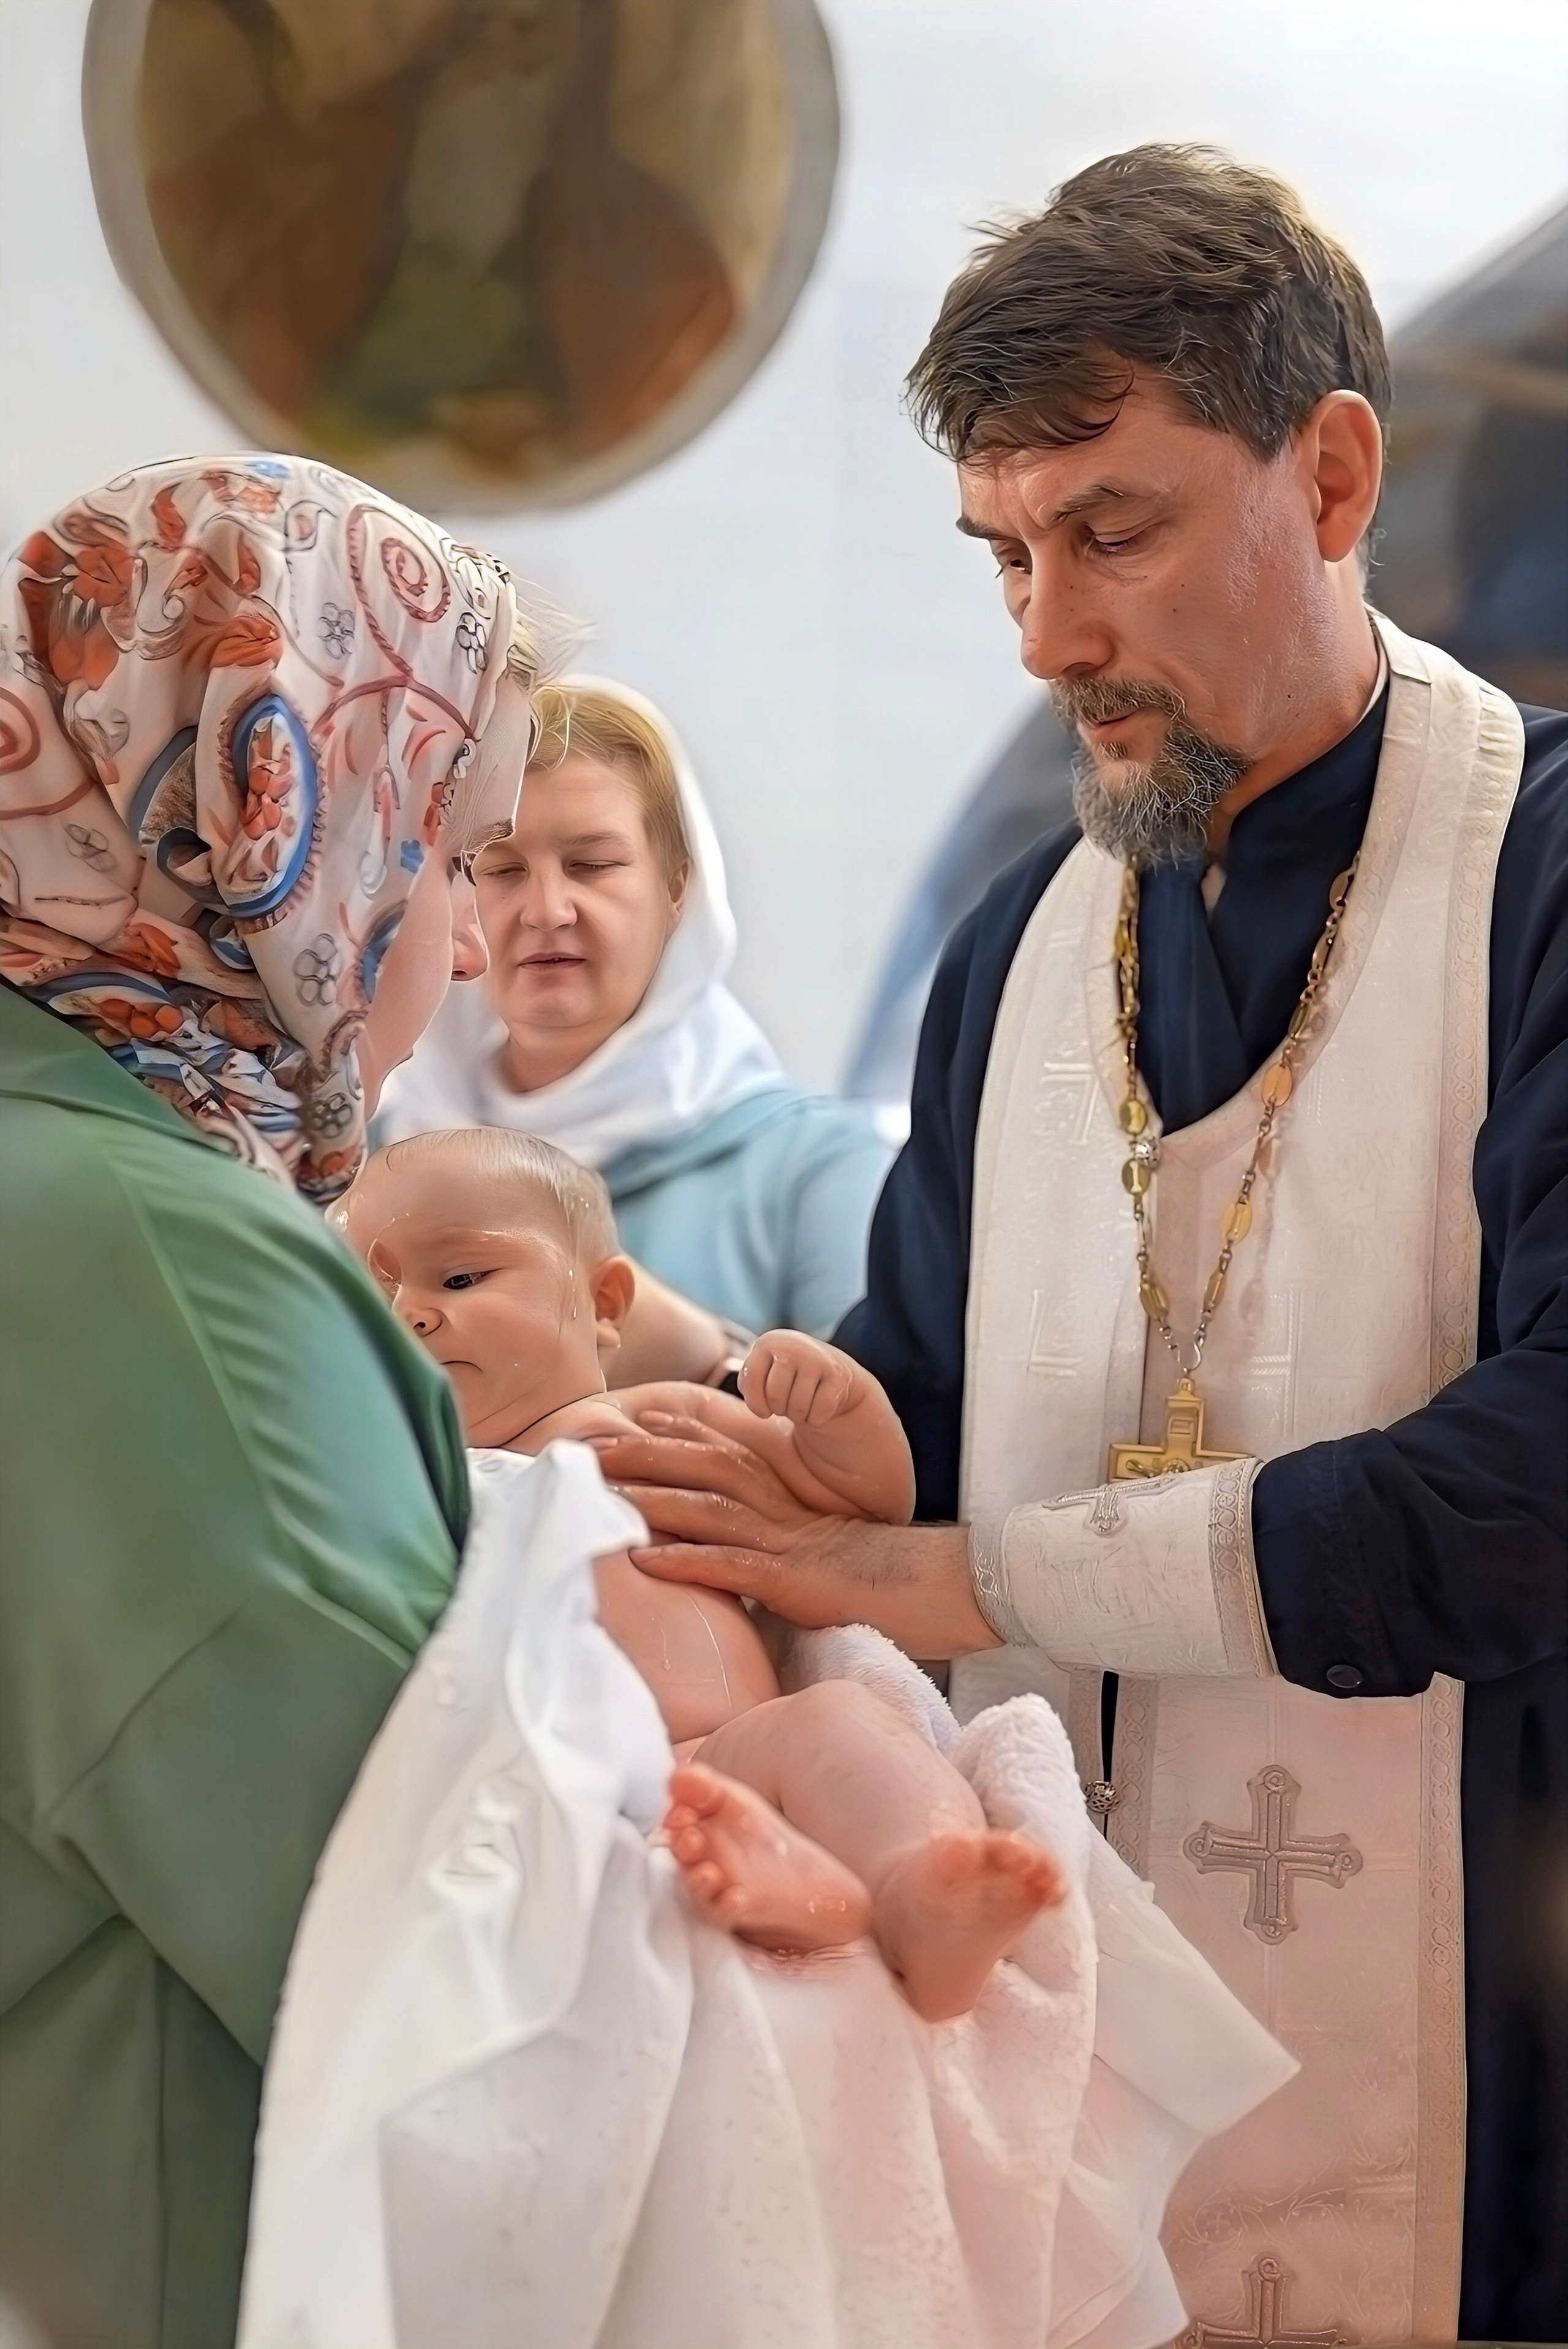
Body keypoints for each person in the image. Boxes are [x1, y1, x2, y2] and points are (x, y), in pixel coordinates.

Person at [590, 148, 1568, 2347]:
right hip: (1062, 2065)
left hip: (1489, 2054)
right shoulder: (1007, 956)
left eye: (1109, 530)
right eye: (1003, 554)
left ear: (1328, 473)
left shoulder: (1538, 878)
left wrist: (987, 1566)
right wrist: (820, 1434)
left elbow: (1537, 1477)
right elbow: (915, 1453)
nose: (1047, 635)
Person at [0, 454, 537, 2349]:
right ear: (270, 818)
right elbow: (445, 1951)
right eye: (450, 850)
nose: (469, 944)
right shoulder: (155, 1259)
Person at [337, 1125, 1063, 2020]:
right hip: (546, 1790)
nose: (410, 1313)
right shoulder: (401, 1487)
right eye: (369, 1302)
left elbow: (860, 1505)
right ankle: (801, 1893)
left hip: (720, 1747)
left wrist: (841, 1411)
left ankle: (919, 1885)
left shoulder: (652, 1420)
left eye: (458, 1278)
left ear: (604, 1301)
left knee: (844, 1724)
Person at [379, 676, 892, 1356]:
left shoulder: (815, 1169)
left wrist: (703, 1358)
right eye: (499, 869)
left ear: (679, 886)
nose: (547, 910)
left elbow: (886, 1445)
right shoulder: (379, 1157)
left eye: (591, 865)